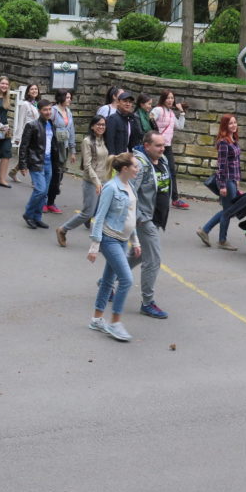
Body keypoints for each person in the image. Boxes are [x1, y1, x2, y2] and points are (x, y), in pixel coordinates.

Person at [87, 152, 141, 343]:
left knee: (109, 281)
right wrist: (94, 246)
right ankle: (115, 322)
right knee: (126, 279)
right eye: (135, 165)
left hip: (122, 240)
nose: (138, 168)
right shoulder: (110, 187)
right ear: (125, 168)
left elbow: (131, 216)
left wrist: (135, 241)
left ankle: (96, 319)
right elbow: (99, 217)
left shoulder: (130, 186)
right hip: (109, 239)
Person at [128, 130, 172, 319]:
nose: (162, 148)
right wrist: (139, 217)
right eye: (158, 145)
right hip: (144, 219)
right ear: (147, 146)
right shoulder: (139, 164)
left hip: (156, 217)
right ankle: (147, 303)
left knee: (138, 255)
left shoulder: (163, 161)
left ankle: (106, 281)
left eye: (163, 145)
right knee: (153, 261)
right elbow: (129, 193)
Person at [57, 115, 109, 247]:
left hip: (104, 180)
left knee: (102, 211)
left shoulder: (103, 140)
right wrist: (96, 182)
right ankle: (63, 229)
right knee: (87, 213)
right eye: (98, 124)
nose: (101, 127)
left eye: (103, 124)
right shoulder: (87, 141)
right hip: (91, 182)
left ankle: (101, 240)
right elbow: (87, 165)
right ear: (92, 126)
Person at [197, 113, 241, 250]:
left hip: (232, 179)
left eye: (235, 122)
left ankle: (206, 231)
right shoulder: (223, 142)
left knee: (228, 210)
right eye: (230, 123)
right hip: (226, 180)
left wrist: (238, 180)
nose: (233, 125)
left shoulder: (233, 139)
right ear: (224, 126)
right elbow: (221, 165)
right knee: (229, 210)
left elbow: (236, 162)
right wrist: (222, 185)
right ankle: (220, 239)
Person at [17, 98, 57, 230]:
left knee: (44, 192)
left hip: (48, 161)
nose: (48, 112)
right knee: (40, 190)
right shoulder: (32, 125)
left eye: (50, 109)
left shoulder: (51, 124)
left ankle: (37, 217)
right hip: (36, 162)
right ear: (39, 111)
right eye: (45, 110)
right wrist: (23, 165)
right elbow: (24, 146)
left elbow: (53, 144)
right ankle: (28, 214)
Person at [151, 90, 189, 209]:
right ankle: (152, 197)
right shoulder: (158, 110)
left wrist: (181, 112)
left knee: (171, 172)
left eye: (172, 98)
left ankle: (175, 199)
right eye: (168, 98)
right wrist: (156, 137)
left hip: (167, 147)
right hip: (156, 147)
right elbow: (150, 119)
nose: (170, 100)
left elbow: (180, 126)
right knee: (154, 172)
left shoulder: (171, 112)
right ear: (163, 99)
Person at [45, 89, 76, 214]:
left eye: (70, 97)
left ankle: (51, 201)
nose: (69, 99)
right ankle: (44, 201)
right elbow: (46, 128)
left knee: (59, 175)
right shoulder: (53, 111)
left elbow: (72, 131)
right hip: (53, 147)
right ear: (61, 97)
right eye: (67, 97)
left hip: (64, 147)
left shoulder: (69, 112)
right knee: (51, 174)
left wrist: (73, 150)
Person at [0, 76, 15, 188]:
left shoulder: (7, 97)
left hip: (4, 128)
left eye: (6, 84)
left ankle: (2, 179)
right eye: (2, 83)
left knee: (6, 152)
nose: (4, 86)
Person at [103, 90, 136, 155]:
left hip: (126, 157)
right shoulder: (112, 119)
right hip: (116, 158)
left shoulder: (131, 119)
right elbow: (109, 141)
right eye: (125, 101)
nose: (128, 104)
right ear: (118, 102)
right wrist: (113, 158)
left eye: (130, 102)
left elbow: (131, 141)